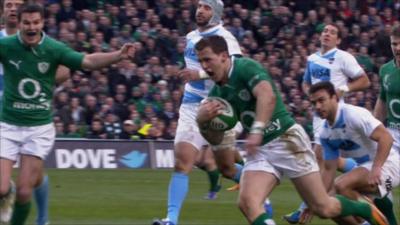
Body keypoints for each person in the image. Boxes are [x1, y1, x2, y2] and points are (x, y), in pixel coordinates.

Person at [194, 35, 389, 225]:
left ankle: (365, 209)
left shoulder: (245, 67)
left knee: (322, 208)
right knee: (247, 203)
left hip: (287, 139)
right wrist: (204, 123)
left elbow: (267, 95)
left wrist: (257, 130)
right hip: (261, 150)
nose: (204, 66)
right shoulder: (216, 96)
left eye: (208, 59)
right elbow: (218, 147)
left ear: (224, 57)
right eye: (200, 61)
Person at [0, 3, 135, 225]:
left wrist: (118, 55)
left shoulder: (54, 49)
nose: (31, 27)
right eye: (27, 23)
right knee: (2, 188)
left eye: (35, 22)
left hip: (37, 129)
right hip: (7, 126)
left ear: (42, 23)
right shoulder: (6, 45)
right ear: (20, 24)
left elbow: (88, 61)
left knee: (25, 191)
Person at [152, 1, 273, 225]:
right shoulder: (190, 36)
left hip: (221, 104)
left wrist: (198, 74)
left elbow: (234, 66)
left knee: (225, 167)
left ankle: (258, 191)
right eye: (199, 6)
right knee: (183, 162)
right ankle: (171, 219)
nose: (200, 10)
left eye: (206, 7)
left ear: (216, 12)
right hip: (191, 104)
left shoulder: (226, 38)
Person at [284, 23, 372, 223]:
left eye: (332, 33)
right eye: (325, 31)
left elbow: (364, 81)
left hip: (335, 115)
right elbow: (306, 82)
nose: (327, 34)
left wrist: (344, 90)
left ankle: (306, 207)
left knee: (318, 158)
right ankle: (359, 176)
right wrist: (309, 93)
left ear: (338, 40)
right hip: (318, 115)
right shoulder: (312, 59)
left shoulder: (343, 57)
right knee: (325, 160)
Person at [0, 1, 70, 224]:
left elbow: (65, 69)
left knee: (33, 178)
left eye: (16, 4)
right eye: (8, 4)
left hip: (31, 112)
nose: (12, 8)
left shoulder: (39, 38)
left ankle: (42, 218)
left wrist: (41, 76)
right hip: (5, 114)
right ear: (3, 11)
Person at [308, 81, 400, 225]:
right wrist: (315, 203)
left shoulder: (353, 115)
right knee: (328, 205)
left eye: (321, 100)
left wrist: (377, 168)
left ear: (334, 98)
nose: (317, 106)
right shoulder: (325, 133)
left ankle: (376, 218)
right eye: (313, 103)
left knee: (342, 185)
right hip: (364, 168)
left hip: (388, 163)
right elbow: (328, 170)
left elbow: (386, 138)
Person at [373, 24, 400, 225]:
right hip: (393, 138)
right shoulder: (386, 70)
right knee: (375, 183)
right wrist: (373, 128)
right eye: (394, 44)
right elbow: (382, 102)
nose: (397, 48)